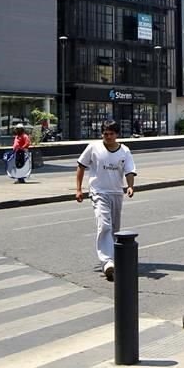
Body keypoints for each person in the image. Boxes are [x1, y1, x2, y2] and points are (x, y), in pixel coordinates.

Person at [75, 120, 136, 282]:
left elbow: (130, 171)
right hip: (98, 191)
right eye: (105, 134)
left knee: (115, 228)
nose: (108, 137)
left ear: (117, 135)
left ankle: (114, 258)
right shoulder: (93, 147)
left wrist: (130, 186)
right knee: (104, 225)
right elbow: (81, 166)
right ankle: (107, 262)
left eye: (111, 134)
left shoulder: (125, 151)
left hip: (116, 192)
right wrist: (79, 189)